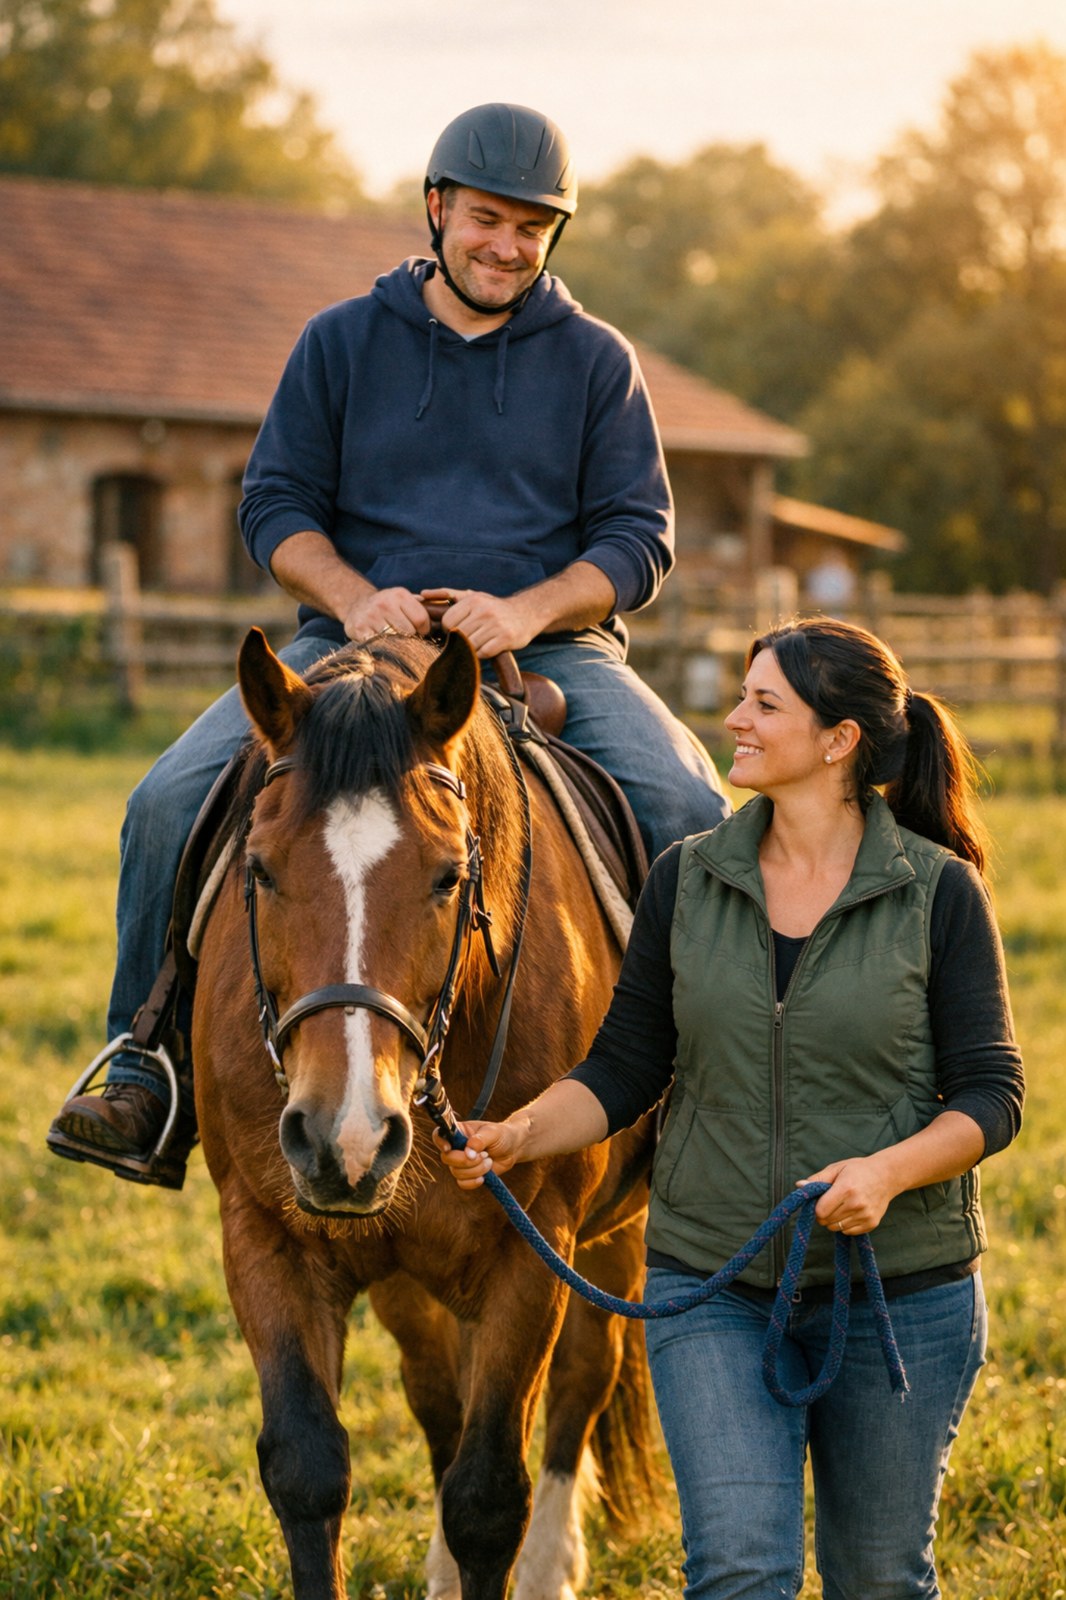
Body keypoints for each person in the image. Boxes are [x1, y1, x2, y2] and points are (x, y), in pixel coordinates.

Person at [47, 101, 729, 1188]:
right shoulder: (340, 342)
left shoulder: (597, 362)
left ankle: (700, 1090)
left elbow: (638, 539)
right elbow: (274, 504)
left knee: (692, 810)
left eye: (532, 227)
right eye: (486, 218)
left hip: (545, 654)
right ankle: (144, 1062)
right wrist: (357, 598)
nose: (506, 245)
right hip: (349, 655)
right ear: (435, 209)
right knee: (164, 801)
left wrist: (528, 609)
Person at [438, 615, 1024, 1600]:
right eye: (742, 697)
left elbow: (991, 1094)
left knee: (878, 1576)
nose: (733, 719)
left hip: (900, 1292)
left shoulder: (937, 892)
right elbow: (624, 1069)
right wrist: (522, 1132)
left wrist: (885, 1173)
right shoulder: (687, 879)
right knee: (738, 1573)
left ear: (838, 741)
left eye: (764, 704)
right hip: (712, 1285)